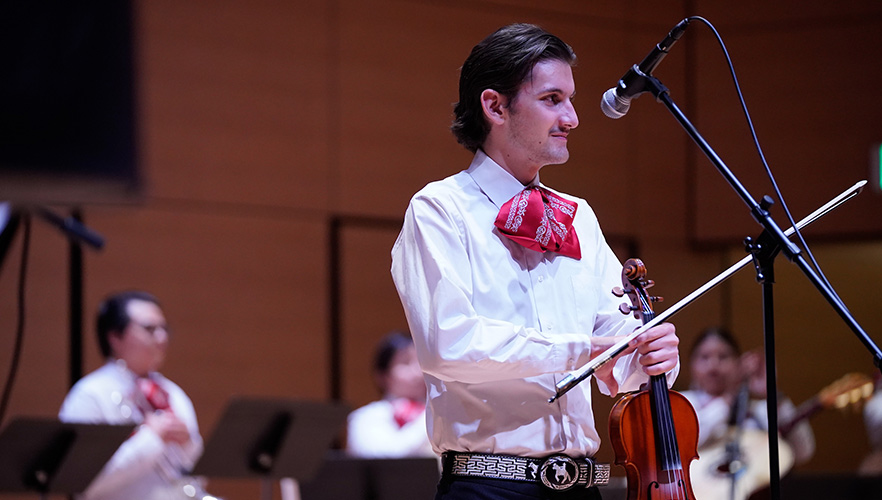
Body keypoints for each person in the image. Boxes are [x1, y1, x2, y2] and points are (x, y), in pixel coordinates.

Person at [390, 23, 680, 500]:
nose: (573, 117)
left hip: (584, 485)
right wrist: (584, 352)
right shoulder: (441, 209)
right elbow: (450, 343)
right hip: (488, 487)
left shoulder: (578, 217)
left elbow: (618, 361)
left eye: (570, 99)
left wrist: (653, 358)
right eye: (552, 99)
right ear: (495, 106)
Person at [59, 290, 208, 500]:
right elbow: (82, 482)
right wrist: (151, 438)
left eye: (164, 329)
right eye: (149, 329)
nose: (162, 338)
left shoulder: (173, 393)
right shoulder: (90, 394)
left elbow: (198, 480)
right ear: (115, 338)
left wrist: (188, 444)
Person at [682, 327, 815, 500]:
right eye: (704, 357)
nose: (713, 366)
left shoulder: (759, 410)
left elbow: (803, 452)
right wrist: (731, 395)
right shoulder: (683, 404)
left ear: (738, 363)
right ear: (691, 365)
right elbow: (690, 440)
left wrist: (772, 393)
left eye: (723, 357)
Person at [346, 330, 435, 458]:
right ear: (383, 375)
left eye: (421, 363)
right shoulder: (365, 417)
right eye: (405, 362)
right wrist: (430, 416)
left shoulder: (441, 414)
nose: (417, 372)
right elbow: (385, 458)